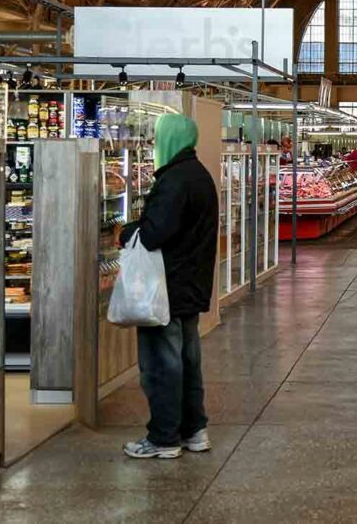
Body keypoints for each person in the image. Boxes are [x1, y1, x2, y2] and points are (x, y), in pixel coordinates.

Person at [120, 114, 218, 459]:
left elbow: (154, 233)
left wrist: (130, 230)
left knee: (163, 365)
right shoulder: (200, 175)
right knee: (188, 362)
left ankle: (163, 438)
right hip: (191, 285)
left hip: (164, 289)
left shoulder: (174, 180)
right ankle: (194, 430)